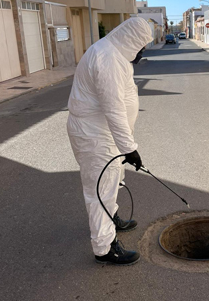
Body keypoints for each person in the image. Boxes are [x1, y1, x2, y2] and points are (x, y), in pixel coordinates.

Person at [67, 17, 153, 266]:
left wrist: (125, 146)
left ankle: (112, 218)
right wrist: (130, 149)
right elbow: (114, 108)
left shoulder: (113, 52)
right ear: (131, 41)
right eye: (141, 47)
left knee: (110, 182)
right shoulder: (108, 60)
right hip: (94, 134)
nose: (141, 52)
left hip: (101, 132)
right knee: (100, 190)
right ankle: (105, 247)